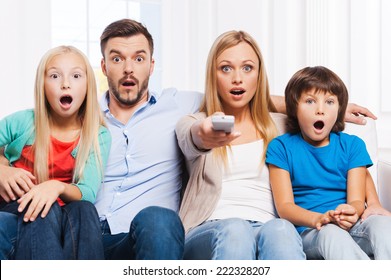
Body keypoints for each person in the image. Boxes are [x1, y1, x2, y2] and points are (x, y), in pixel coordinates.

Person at [0, 18, 383, 260]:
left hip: (147, 232)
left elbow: (241, 98)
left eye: (138, 58)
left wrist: (319, 106)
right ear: (102, 67)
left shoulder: (179, 105)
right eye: (116, 59)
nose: (128, 68)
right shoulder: (83, 115)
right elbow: (196, 133)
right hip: (86, 228)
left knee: (164, 220)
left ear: (153, 64)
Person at [176, 30, 305, 260]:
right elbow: (192, 137)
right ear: (213, 75)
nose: (238, 78)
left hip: (267, 227)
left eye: (247, 68)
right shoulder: (194, 122)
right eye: (226, 68)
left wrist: (336, 106)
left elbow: (318, 116)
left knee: (283, 229)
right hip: (210, 230)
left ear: (259, 75)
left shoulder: (282, 126)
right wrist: (205, 135)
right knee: (236, 229)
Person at [266, 66, 391, 259]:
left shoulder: (352, 145)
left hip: (352, 225)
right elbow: (284, 207)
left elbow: (357, 201)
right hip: (312, 230)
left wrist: (351, 212)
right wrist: (320, 218)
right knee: (332, 234)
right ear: (294, 107)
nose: (320, 110)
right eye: (310, 101)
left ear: (339, 110)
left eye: (330, 102)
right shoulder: (281, 147)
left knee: (383, 226)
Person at [0, 45, 111, 259]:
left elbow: (87, 191)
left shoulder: (98, 135)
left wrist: (55, 187)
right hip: (20, 207)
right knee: (44, 206)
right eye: (54, 76)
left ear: (88, 85)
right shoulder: (23, 122)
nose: (65, 83)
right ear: (42, 85)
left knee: (85, 209)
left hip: (65, 214)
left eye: (76, 76)